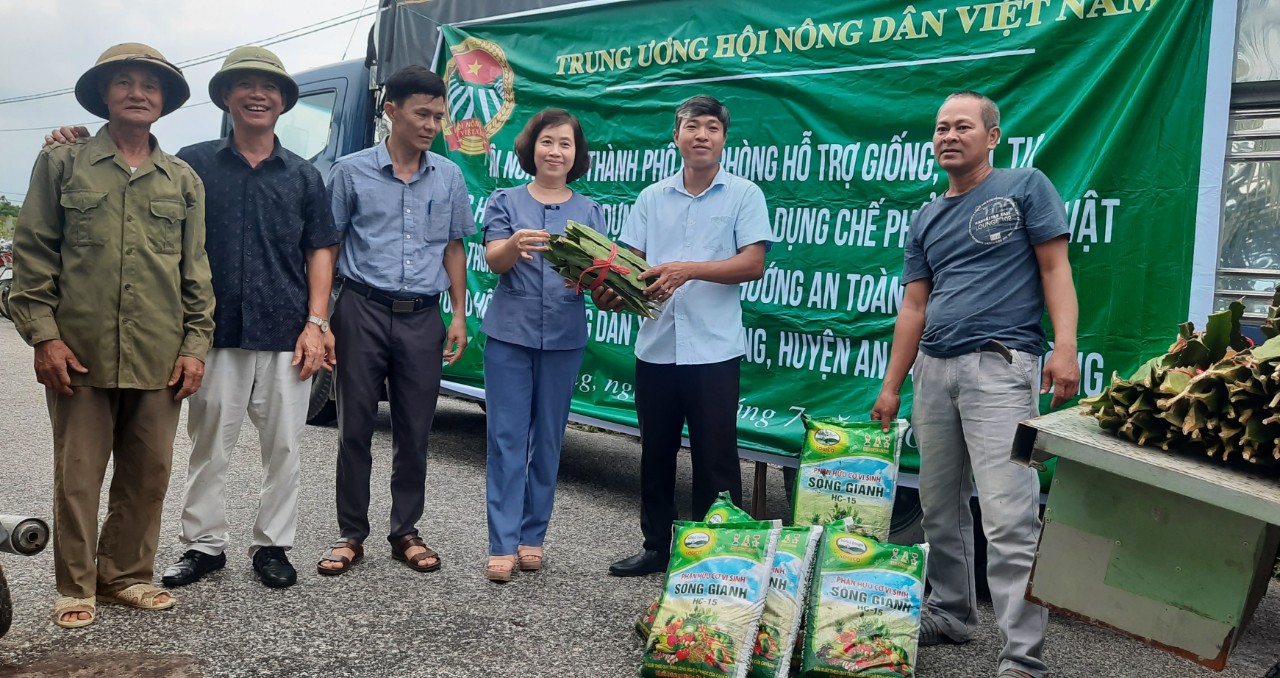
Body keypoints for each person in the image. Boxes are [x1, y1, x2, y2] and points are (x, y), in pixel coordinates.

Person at [48, 47, 342, 591]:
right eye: (245, 85)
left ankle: (273, 544)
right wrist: (71, 139)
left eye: (269, 87)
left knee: (284, 447)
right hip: (210, 332)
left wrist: (317, 322)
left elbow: (320, 249)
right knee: (210, 445)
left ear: (283, 102)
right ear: (226, 98)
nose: (258, 94)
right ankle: (204, 546)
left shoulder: (304, 176)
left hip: (285, 333)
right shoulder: (191, 163)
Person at [871, 91, 1080, 678]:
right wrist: (892, 387)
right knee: (937, 507)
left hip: (1000, 365)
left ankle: (1022, 658)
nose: (948, 136)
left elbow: (1054, 269)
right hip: (932, 372)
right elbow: (914, 306)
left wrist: (1065, 349)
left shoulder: (1024, 186)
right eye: (940, 128)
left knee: (1009, 516)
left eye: (963, 126)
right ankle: (953, 614)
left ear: (992, 136)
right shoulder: (927, 216)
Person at [10, 43, 215, 628]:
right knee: (77, 475)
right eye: (124, 82)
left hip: (159, 354)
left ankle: (125, 575)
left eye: (150, 86)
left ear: (163, 102)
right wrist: (44, 337)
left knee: (148, 474)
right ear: (105, 94)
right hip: (80, 353)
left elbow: (195, 271)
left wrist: (195, 347)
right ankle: (74, 585)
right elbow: (32, 255)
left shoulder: (183, 180)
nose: (137, 93)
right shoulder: (62, 163)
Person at [603, 95, 773, 577]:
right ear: (675, 136)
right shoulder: (651, 198)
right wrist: (610, 287)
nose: (702, 135)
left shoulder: (744, 194)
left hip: (713, 350)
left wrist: (688, 270)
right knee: (655, 452)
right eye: (692, 126)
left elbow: (753, 264)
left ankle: (716, 556)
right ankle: (657, 546)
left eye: (712, 128)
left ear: (723, 138)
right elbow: (630, 262)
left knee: (715, 458)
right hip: (656, 347)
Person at [317, 65, 473, 576]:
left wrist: (458, 314)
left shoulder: (448, 175)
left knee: (415, 428)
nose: (431, 125)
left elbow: (454, 246)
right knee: (355, 425)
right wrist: (321, 318)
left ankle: (405, 530)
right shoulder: (350, 170)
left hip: (423, 316)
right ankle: (350, 533)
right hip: (360, 309)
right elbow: (329, 246)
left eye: (438, 117)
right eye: (421, 114)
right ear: (391, 111)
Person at [480, 109, 604, 583]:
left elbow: (596, 276)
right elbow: (493, 260)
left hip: (565, 340)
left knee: (550, 440)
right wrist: (513, 244)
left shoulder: (590, 211)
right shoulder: (505, 200)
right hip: (509, 336)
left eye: (566, 144)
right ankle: (502, 544)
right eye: (547, 142)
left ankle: (534, 538)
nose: (556, 151)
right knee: (506, 440)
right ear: (532, 148)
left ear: (577, 155)